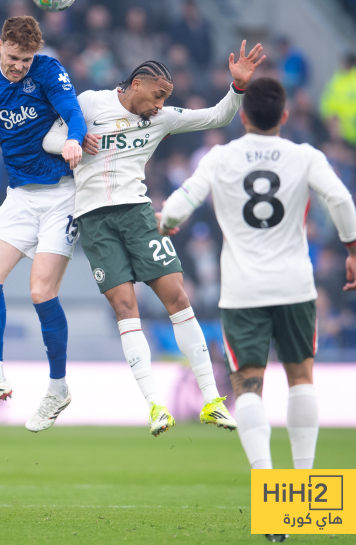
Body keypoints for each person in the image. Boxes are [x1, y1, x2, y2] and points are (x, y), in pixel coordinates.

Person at [43, 41, 265, 436]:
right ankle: (155, 406)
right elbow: (49, 140)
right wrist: (73, 141)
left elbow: (216, 116)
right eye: (157, 95)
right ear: (137, 84)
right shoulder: (91, 103)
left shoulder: (161, 119)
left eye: (165, 98)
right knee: (125, 308)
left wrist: (238, 87)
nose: (160, 104)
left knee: (177, 297)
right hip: (94, 221)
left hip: (138, 215)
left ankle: (212, 401)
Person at [159, 78, 356, 471]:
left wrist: (167, 222)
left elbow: (177, 206)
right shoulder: (304, 156)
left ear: (244, 117)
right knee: (301, 378)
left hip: (243, 291)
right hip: (294, 286)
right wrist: (353, 252)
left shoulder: (220, 157)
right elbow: (340, 198)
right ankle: (302, 479)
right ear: (284, 116)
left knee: (248, 386)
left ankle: (265, 477)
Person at [0, 15, 86, 432]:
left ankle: (58, 388)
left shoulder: (48, 71)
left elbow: (73, 112)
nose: (18, 66)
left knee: (41, 291)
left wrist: (74, 139)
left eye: (25, 59)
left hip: (61, 196)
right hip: (21, 197)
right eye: (13, 57)